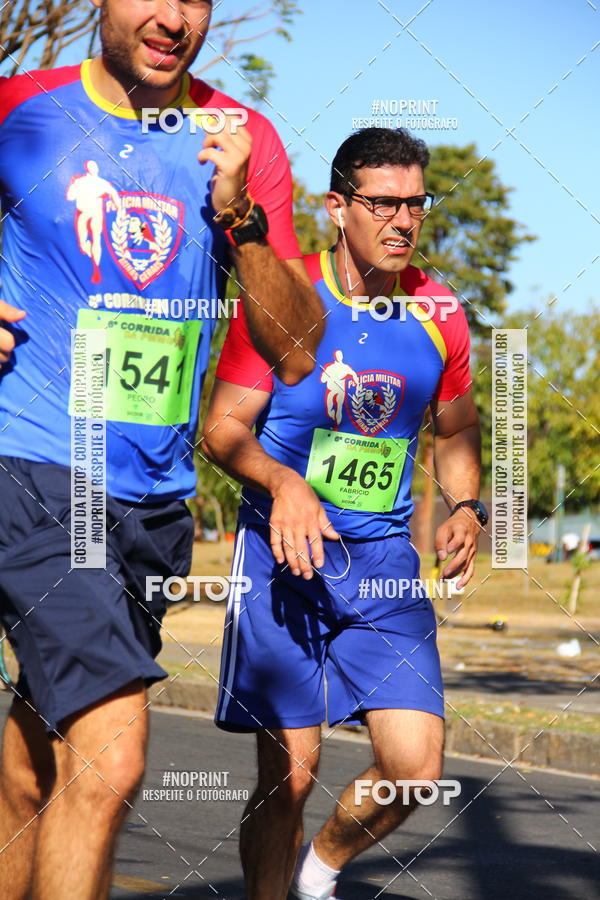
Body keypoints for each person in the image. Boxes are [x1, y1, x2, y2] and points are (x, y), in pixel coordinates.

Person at [0, 2, 324, 898]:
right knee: (111, 755)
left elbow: (296, 347)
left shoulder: (244, 136)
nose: (172, 17)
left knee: (39, 765)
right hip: (35, 467)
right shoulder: (19, 109)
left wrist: (243, 221)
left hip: (152, 497)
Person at [202, 127, 487, 899]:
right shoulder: (282, 295)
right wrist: (284, 484)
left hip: (385, 568)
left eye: (415, 204)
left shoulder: (440, 312)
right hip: (280, 562)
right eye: (383, 203)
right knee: (290, 778)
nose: (402, 220)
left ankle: (320, 869)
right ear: (337, 208)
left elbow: (456, 428)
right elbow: (222, 428)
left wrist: (466, 504)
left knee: (415, 768)